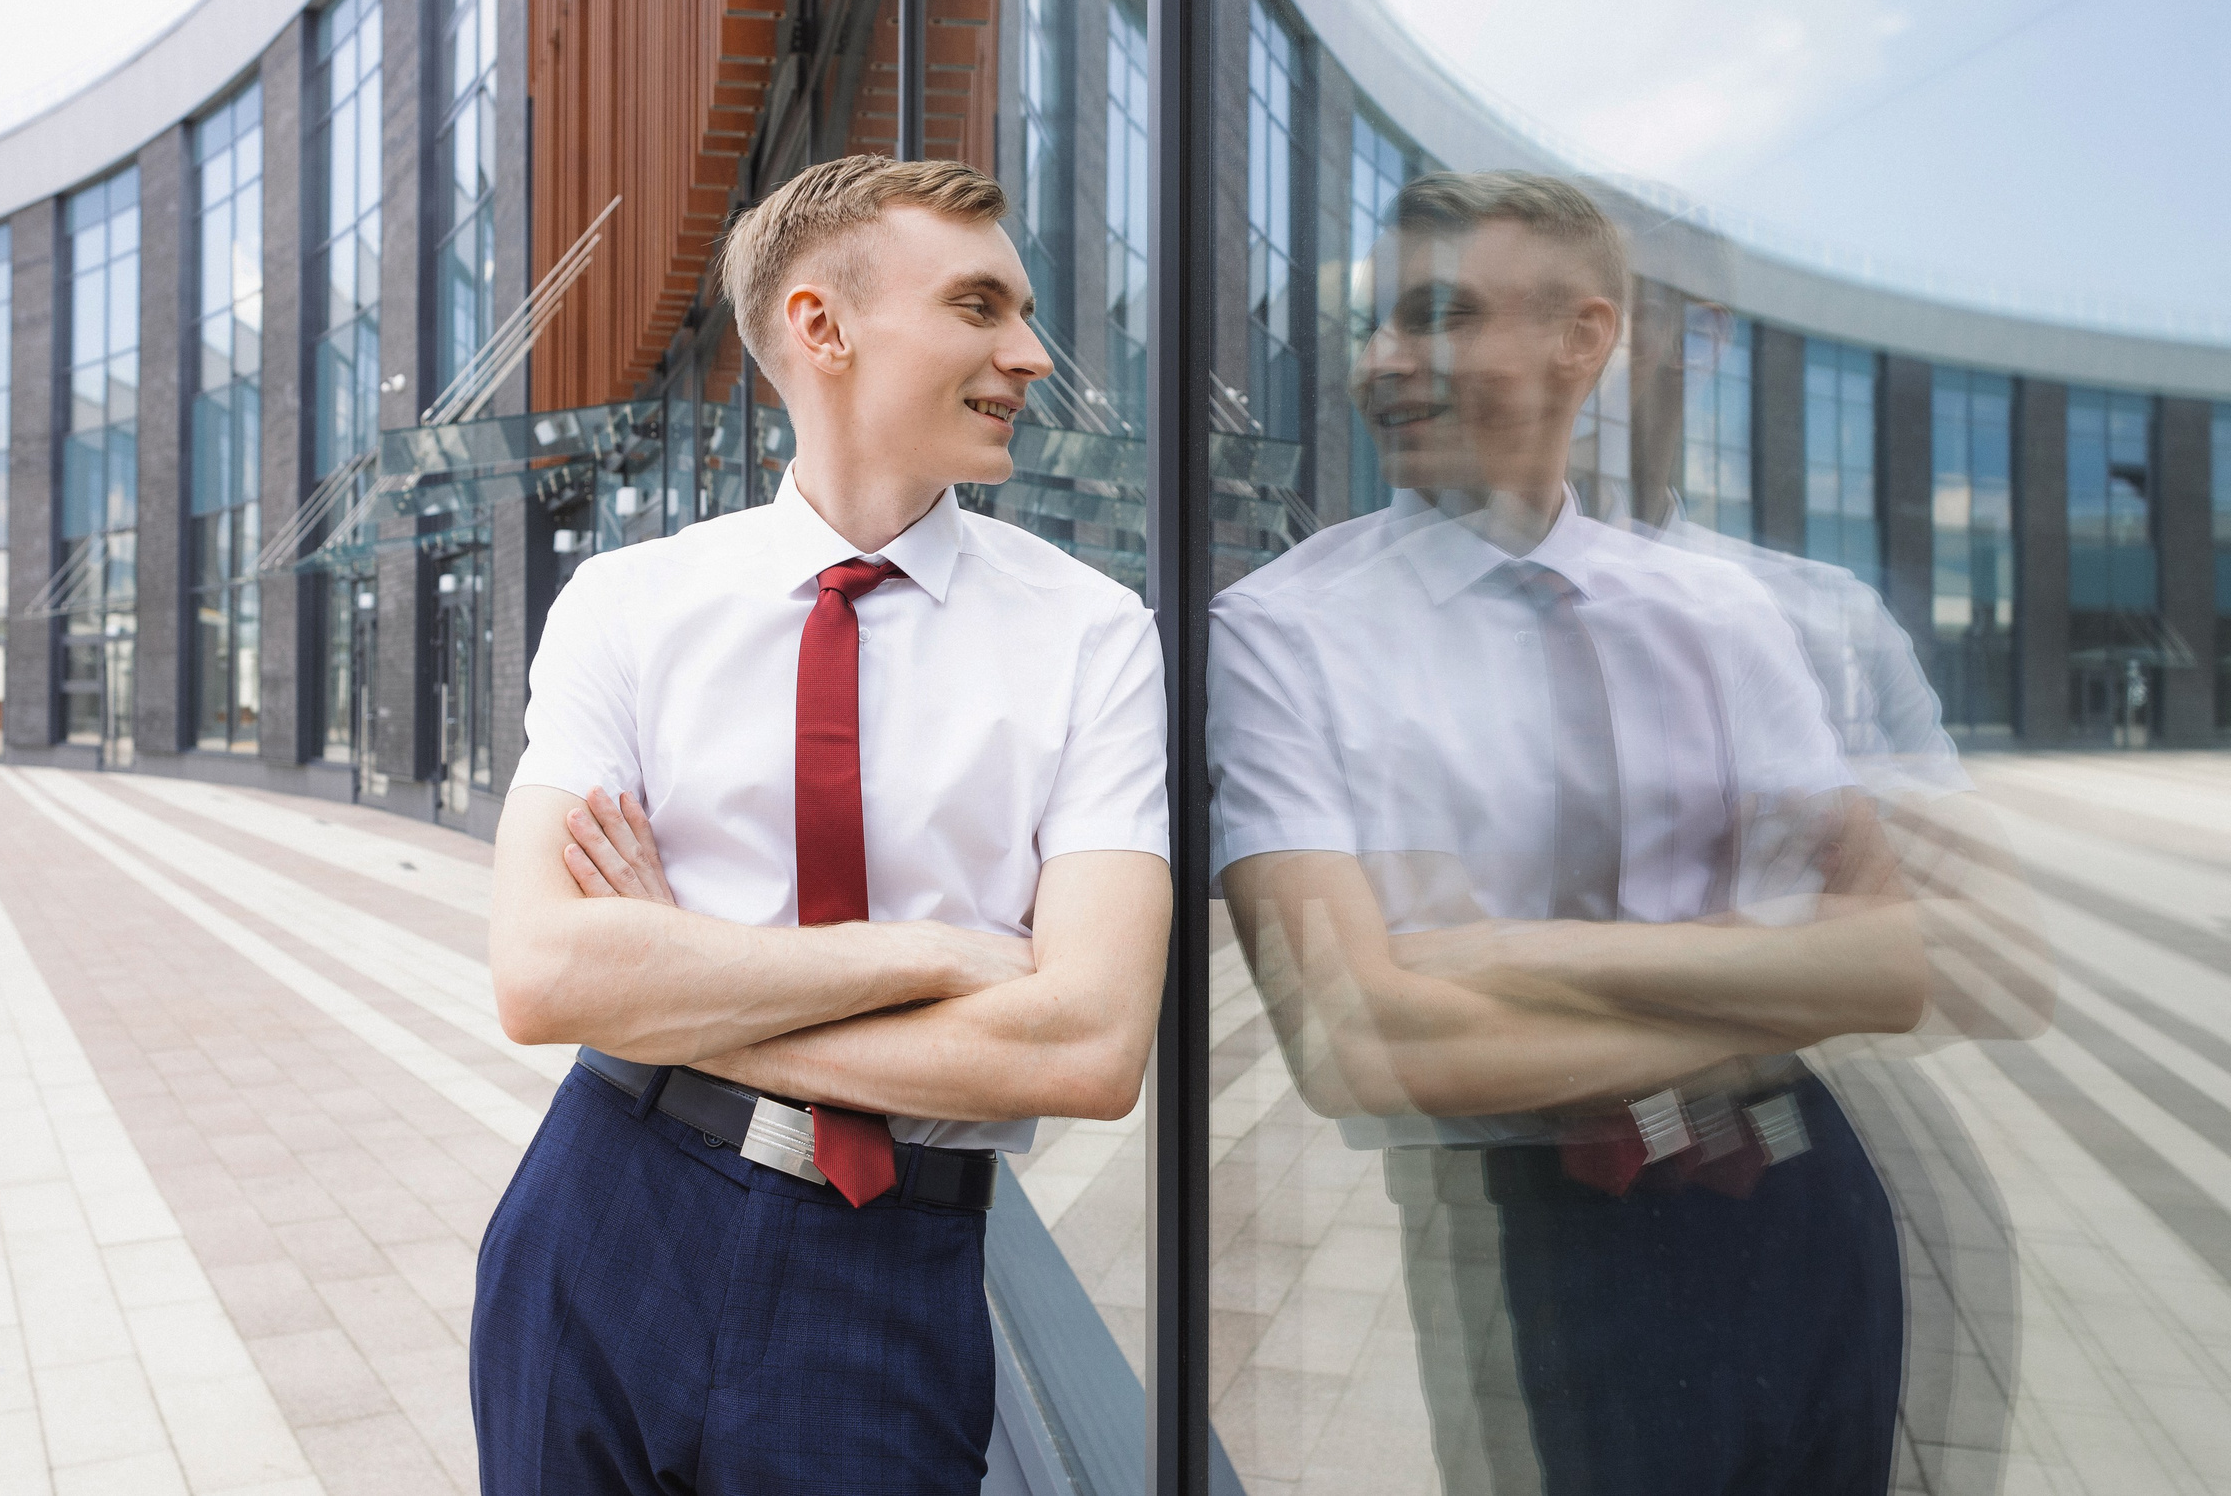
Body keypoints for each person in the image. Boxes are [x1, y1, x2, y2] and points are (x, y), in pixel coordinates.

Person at [1206, 171, 2048, 1495]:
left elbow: (1898, 959)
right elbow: (1359, 1039)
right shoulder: (1282, 631)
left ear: (1582, 340)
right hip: (1548, 1221)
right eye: (1378, 323)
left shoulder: (1717, 612)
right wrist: (1775, 989)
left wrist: (1497, 954)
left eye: (1436, 316)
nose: (1383, 363)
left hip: (1808, 1204)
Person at [473, 154, 1172, 1495]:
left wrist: (685, 970)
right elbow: (545, 974)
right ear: (822, 326)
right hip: (607, 1208)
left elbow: (1088, 1042)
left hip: (886, 1265)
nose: (1029, 353)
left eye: (1021, 312)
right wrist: (943, 954)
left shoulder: (1093, 635)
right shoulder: (626, 605)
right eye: (979, 306)